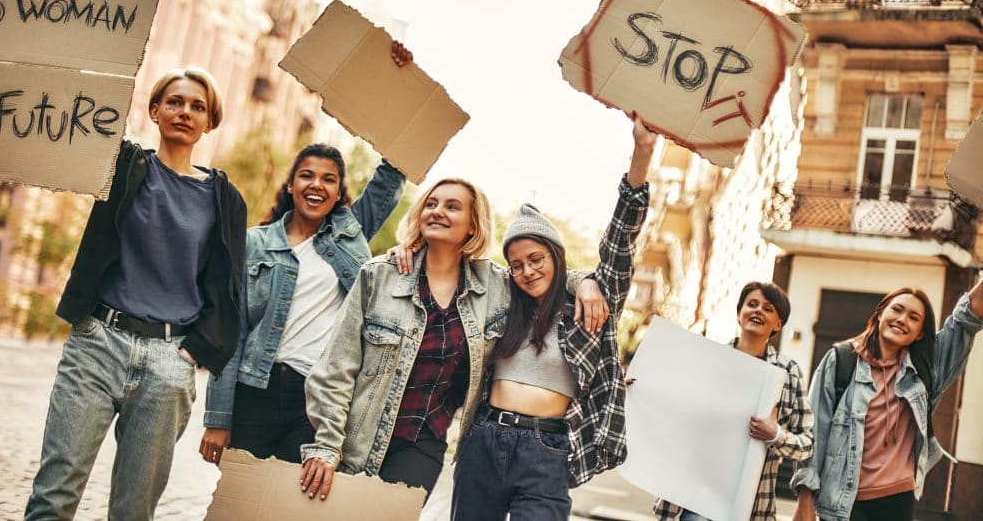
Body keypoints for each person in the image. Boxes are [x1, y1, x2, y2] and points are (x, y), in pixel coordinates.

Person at [26, 0, 246, 521]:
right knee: (53, 496)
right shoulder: (121, 166)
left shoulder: (225, 199)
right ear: (154, 110)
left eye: (197, 106)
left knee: (133, 513)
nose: (184, 111)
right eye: (173, 101)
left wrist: (195, 354)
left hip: (171, 361)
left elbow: (229, 290)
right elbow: (67, 92)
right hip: (99, 341)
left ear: (209, 121)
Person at [298, 177, 609, 501]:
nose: (437, 211)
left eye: (452, 206)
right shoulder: (379, 275)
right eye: (431, 204)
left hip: (422, 444)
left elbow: (541, 275)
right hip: (354, 437)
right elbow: (335, 369)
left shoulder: (494, 287)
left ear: (473, 226)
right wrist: (326, 445)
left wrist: (584, 281)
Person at [448, 116, 654, 520]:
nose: (528, 271)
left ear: (556, 257)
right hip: (484, 439)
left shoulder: (590, 307)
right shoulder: (504, 303)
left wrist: (642, 152)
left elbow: (620, 237)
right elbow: (450, 264)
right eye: (518, 264)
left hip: (547, 450)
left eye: (537, 259)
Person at [198, 130, 407, 464]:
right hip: (255, 391)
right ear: (291, 184)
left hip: (315, 396)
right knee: (243, 503)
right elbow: (231, 334)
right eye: (306, 175)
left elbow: (392, 174)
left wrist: (400, 98)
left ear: (339, 193)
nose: (316, 185)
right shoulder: (254, 243)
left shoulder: (350, 235)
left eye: (329, 179)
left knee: (290, 502)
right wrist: (218, 417)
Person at [792, 279, 983, 521]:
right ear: (881, 313)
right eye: (897, 309)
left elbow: (965, 320)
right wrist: (805, 499)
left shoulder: (924, 371)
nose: (903, 319)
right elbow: (814, 433)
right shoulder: (841, 361)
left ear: (920, 333)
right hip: (845, 502)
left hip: (898, 502)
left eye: (914, 318)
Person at [654, 281, 815, 521]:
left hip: (751, 505)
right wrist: (640, 388)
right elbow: (674, 413)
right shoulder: (710, 361)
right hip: (696, 498)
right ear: (739, 315)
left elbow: (806, 445)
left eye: (768, 308)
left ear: (778, 324)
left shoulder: (788, 373)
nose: (758, 310)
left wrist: (775, 434)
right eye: (752, 304)